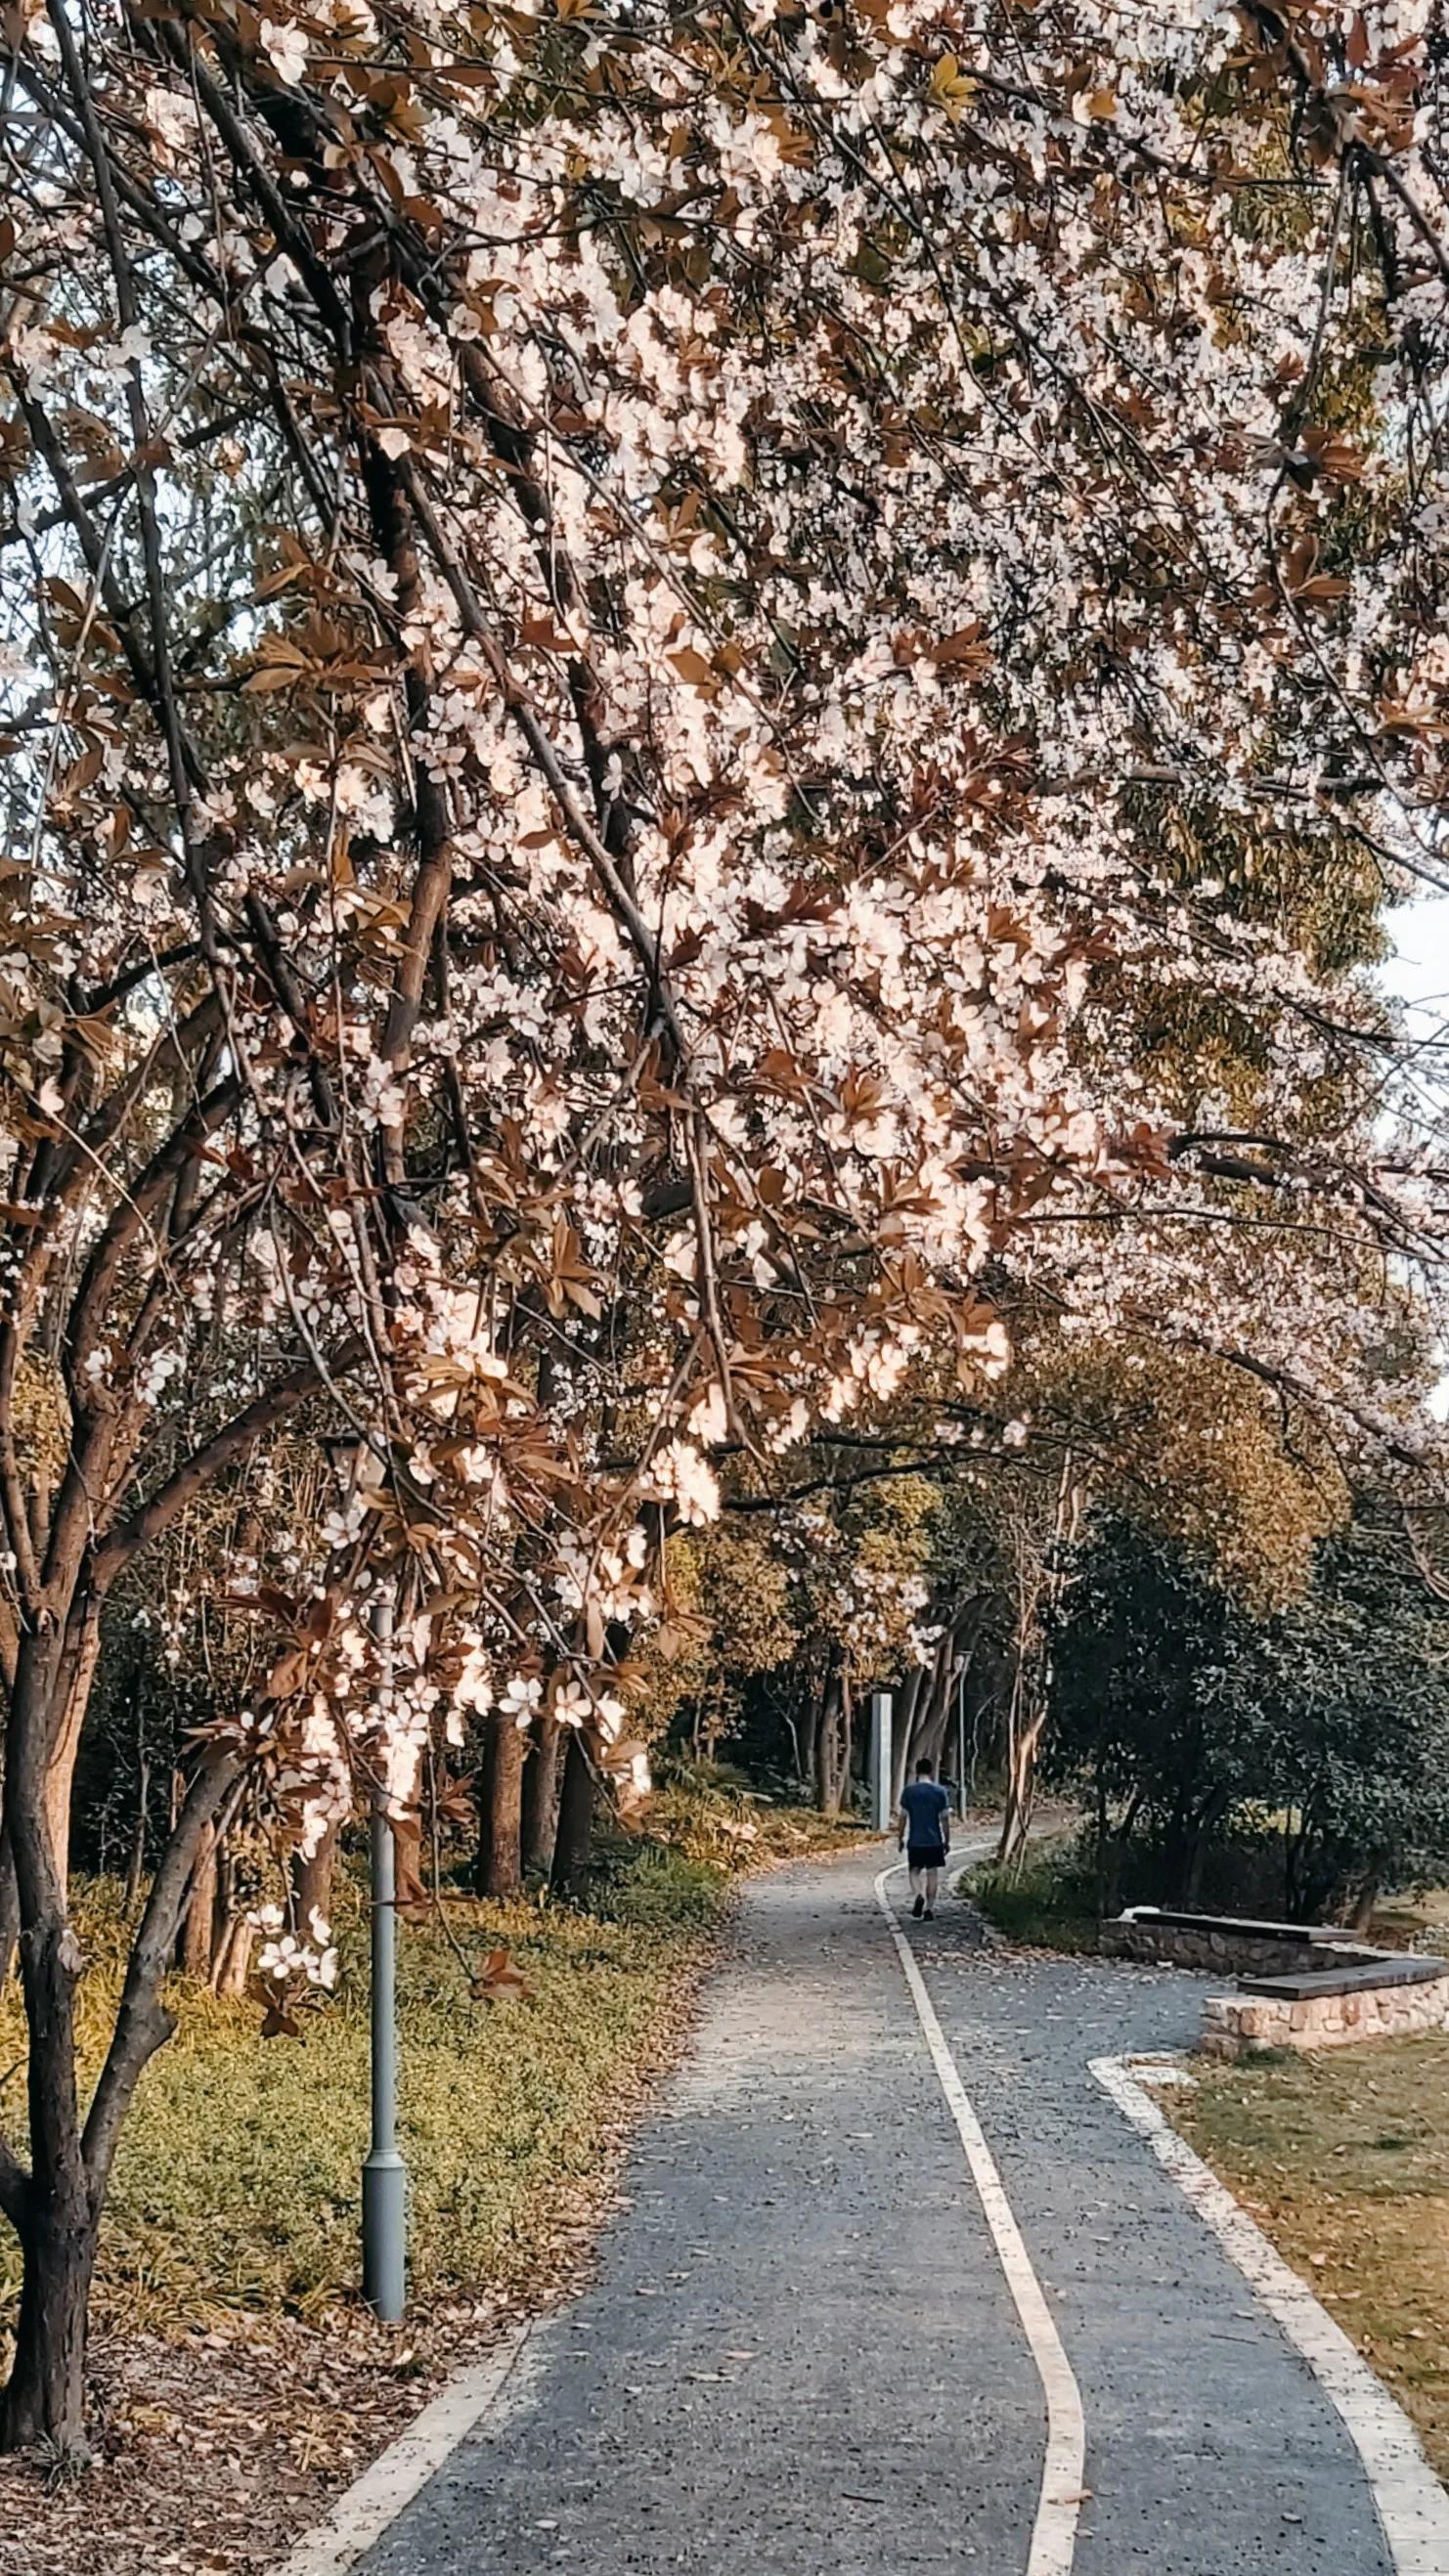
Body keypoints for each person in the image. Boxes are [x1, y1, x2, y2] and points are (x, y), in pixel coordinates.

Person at [899, 1757, 951, 1919]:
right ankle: (929, 1908)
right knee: (932, 1873)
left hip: (915, 1840)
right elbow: (944, 1819)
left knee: (914, 1871)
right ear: (931, 1771)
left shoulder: (909, 1792)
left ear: (917, 1771)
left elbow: (903, 1817)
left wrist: (900, 1837)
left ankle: (917, 1895)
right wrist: (947, 1840)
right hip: (934, 1840)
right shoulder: (939, 1792)